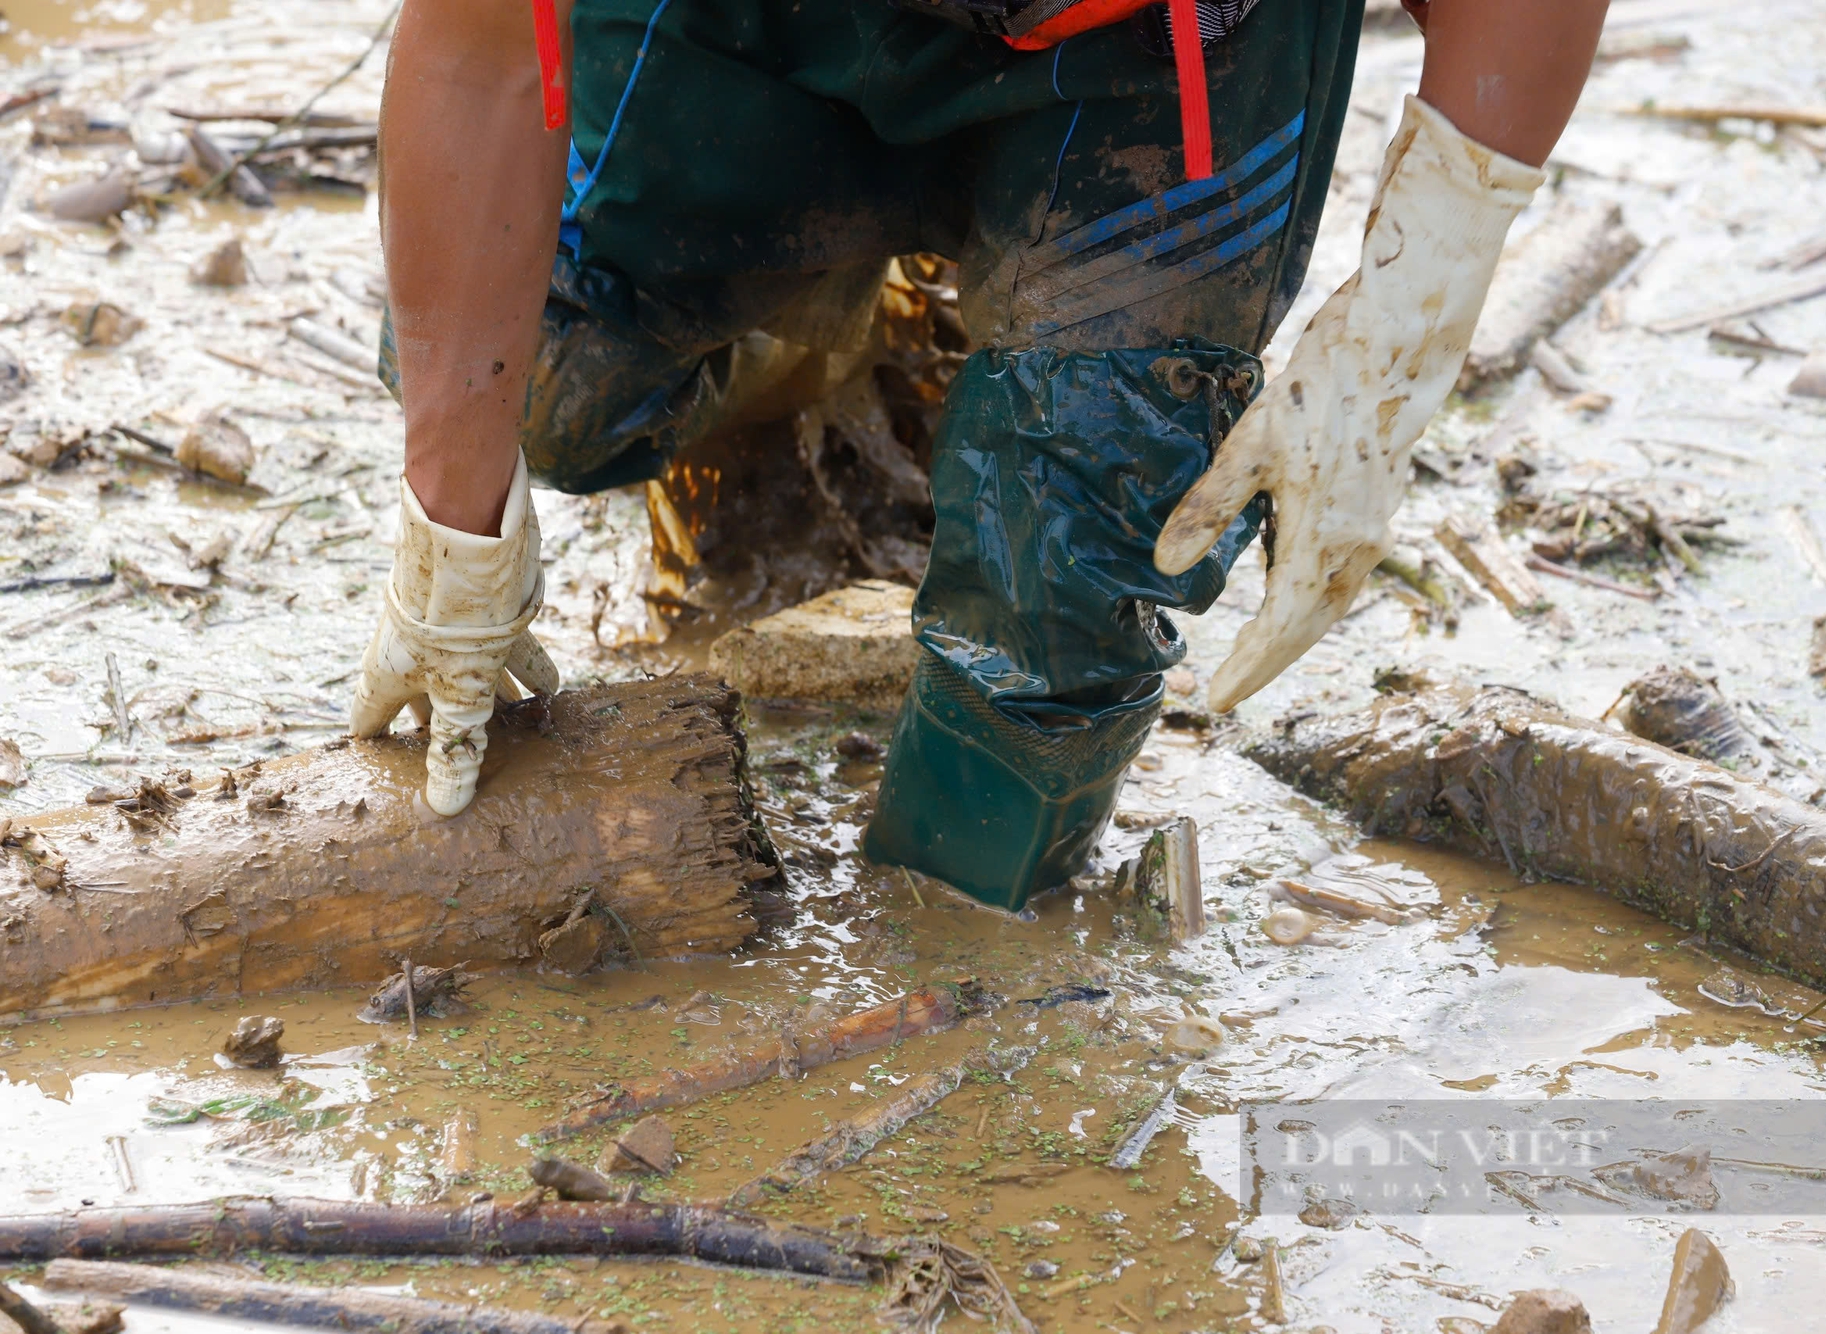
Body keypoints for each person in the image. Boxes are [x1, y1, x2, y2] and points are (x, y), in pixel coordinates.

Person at [351, 0, 1610, 910]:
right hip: (750, 25)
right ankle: (821, 335)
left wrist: (1406, 316)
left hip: (1162, 49)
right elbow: (476, 54)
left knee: (1075, 584)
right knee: (551, 381)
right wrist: (452, 537)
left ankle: (962, 925)